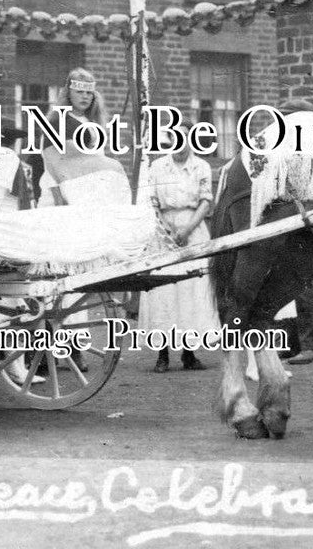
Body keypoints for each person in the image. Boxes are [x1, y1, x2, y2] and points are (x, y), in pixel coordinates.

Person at [139, 125, 219, 372]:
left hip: (193, 229)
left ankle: (189, 353)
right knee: (163, 291)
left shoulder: (201, 166)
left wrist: (186, 229)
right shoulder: (157, 167)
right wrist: (166, 230)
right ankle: (162, 355)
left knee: (190, 290)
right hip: (162, 231)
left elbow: (206, 201)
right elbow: (151, 201)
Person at [38, 68, 131, 207]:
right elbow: (51, 163)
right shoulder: (58, 122)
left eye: (89, 93)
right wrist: (59, 199)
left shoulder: (91, 122)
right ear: (69, 94)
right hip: (64, 195)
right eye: (79, 92)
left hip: (90, 193)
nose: (85, 96)